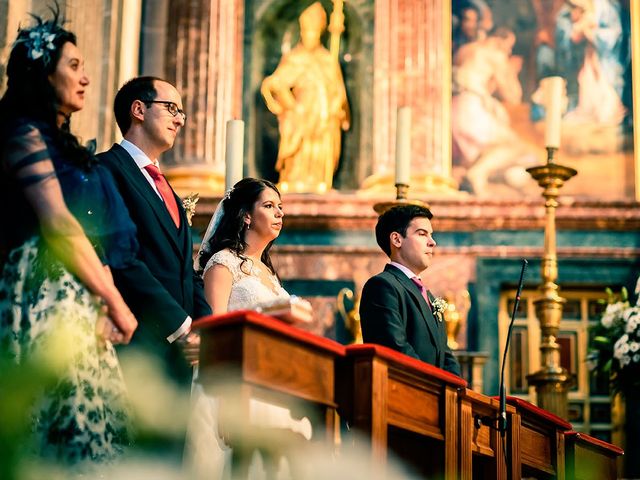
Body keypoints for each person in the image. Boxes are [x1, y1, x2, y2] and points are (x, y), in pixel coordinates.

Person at [0, 8, 138, 466]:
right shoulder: (22, 134)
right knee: (55, 428)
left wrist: (102, 301)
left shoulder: (66, 146)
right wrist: (115, 300)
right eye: (74, 66)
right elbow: (58, 224)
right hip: (40, 287)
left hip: (79, 291)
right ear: (44, 72)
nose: (86, 78)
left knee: (91, 434)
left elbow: (92, 235)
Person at [188, 178, 310, 478]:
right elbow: (213, 331)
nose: (279, 213)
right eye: (269, 206)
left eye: (280, 207)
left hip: (272, 381)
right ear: (246, 215)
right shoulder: (223, 263)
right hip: (233, 381)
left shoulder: (269, 274)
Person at [97, 77, 211, 386]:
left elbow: (185, 269)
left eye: (182, 112)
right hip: (139, 345)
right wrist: (180, 326)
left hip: (181, 355)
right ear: (139, 109)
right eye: (172, 108)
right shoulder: (105, 170)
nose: (180, 119)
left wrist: (205, 327)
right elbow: (122, 259)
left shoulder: (167, 190)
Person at [359, 205, 461, 376]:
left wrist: (457, 390)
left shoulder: (428, 296)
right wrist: (435, 385)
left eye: (431, 234)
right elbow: (396, 350)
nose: (432, 242)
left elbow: (445, 355)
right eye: (422, 234)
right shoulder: (382, 286)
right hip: (405, 391)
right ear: (397, 240)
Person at [261, 1, 350, 194]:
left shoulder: (328, 59)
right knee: (297, 148)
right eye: (307, 28)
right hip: (299, 114)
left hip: (323, 116)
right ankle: (293, 177)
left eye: (314, 29)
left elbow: (338, 92)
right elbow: (273, 83)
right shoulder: (293, 57)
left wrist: (336, 107)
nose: (310, 33)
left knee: (320, 146)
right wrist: (288, 103)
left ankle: (320, 180)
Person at [452, 28, 536, 196]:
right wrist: (511, 70)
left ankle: (474, 180)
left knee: (480, 155)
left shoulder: (465, 50)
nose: (509, 51)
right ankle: (477, 174)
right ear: (500, 41)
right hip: (471, 110)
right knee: (514, 146)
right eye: (509, 46)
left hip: (454, 109)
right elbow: (513, 95)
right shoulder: (494, 55)